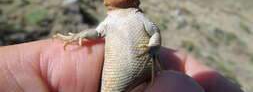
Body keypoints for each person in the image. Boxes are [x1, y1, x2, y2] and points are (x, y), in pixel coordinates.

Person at [0, 39, 243, 92]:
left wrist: (153, 47)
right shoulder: (112, 19)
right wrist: (78, 37)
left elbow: (154, 32)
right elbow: (97, 32)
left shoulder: (137, 16)